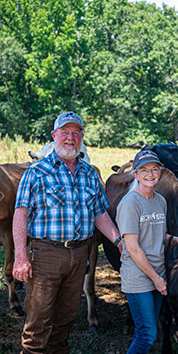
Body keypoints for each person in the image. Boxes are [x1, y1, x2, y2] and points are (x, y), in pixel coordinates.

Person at [12, 111, 123, 354]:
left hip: (79, 254)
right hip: (45, 254)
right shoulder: (37, 171)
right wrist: (20, 255)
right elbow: (20, 214)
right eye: (65, 132)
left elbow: (100, 214)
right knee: (38, 320)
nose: (70, 138)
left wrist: (118, 240)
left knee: (66, 318)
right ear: (54, 136)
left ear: (82, 137)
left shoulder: (90, 173)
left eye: (76, 133)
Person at [116, 150, 178, 354]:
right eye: (144, 170)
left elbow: (157, 233)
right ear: (135, 174)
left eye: (154, 169)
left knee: (148, 331)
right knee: (147, 333)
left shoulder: (160, 200)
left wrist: (175, 238)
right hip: (139, 276)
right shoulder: (129, 203)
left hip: (158, 273)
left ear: (160, 172)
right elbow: (132, 247)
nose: (150, 174)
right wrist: (157, 279)